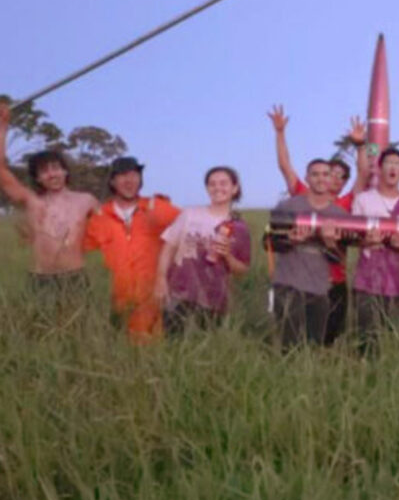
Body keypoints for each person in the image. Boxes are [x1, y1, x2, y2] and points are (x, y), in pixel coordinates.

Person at [268, 105, 369, 344]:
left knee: (325, 340)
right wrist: (280, 133)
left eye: (336, 176)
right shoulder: (299, 197)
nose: (329, 179)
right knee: (290, 337)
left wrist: (360, 145)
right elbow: (285, 166)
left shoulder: (344, 206)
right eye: (321, 174)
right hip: (296, 281)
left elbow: (363, 173)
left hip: (333, 282)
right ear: (309, 177)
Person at [0, 99, 99, 308]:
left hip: (75, 279)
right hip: (41, 281)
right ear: (37, 178)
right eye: (44, 171)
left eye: (55, 167)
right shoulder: (32, 201)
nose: (51, 174)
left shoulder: (87, 201)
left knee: (79, 336)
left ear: (65, 171)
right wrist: (3, 127)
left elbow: (115, 228)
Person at [84, 156, 182, 342]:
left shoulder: (158, 207)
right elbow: (79, 252)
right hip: (117, 305)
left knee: (156, 355)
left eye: (134, 175)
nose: (129, 180)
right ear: (112, 181)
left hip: (155, 301)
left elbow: (192, 227)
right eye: (122, 176)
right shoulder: (99, 216)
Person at [154, 166, 251, 336]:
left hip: (214, 300)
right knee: (173, 345)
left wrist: (227, 255)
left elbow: (242, 270)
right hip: (178, 294)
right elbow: (168, 248)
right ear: (207, 188)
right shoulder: (189, 214)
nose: (217, 188)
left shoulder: (239, 227)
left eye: (223, 183)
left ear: (234, 188)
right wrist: (161, 279)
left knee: (207, 348)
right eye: (212, 184)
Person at [268, 159, 347, 347]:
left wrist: (329, 244)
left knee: (314, 345)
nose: (321, 179)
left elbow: (339, 259)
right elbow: (268, 242)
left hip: (319, 289)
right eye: (315, 174)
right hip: (287, 286)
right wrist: (290, 241)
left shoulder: (339, 215)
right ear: (307, 178)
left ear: (332, 179)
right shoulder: (288, 207)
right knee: (289, 345)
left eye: (325, 174)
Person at [351, 148, 399, 352]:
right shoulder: (363, 199)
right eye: (388, 163)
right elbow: (353, 237)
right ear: (379, 168)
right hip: (368, 278)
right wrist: (365, 241)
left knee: (398, 339)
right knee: (367, 337)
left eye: (398, 164)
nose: (393, 167)